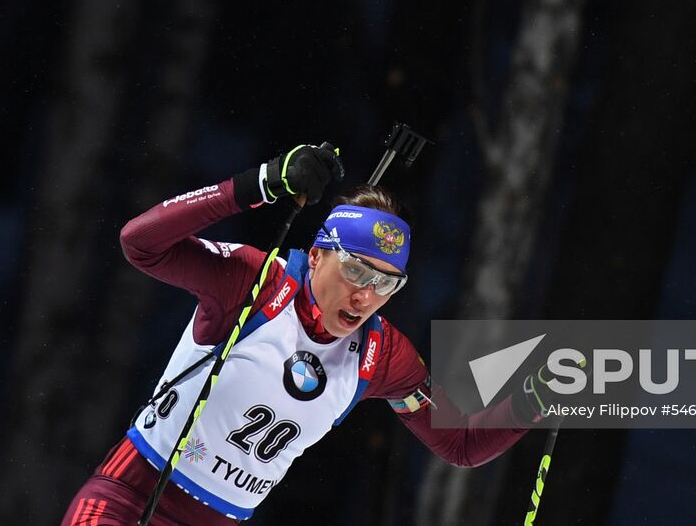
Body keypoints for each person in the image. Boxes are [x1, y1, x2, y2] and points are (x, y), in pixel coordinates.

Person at [61, 143, 553, 524]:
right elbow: (140, 244)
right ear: (317, 254)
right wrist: (259, 183)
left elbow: (461, 444)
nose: (366, 296)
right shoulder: (256, 282)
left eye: (386, 283)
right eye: (357, 271)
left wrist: (541, 396)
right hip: (129, 498)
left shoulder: (379, 354)